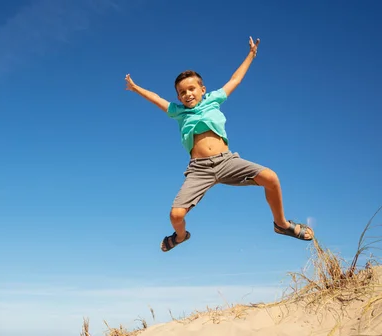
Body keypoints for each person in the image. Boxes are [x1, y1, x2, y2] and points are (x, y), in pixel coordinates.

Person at [124, 37, 314, 252]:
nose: (187, 94)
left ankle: (281, 224)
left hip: (227, 161)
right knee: (175, 215)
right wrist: (136, 87)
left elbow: (235, 80)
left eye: (192, 89)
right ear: (178, 96)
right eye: (182, 92)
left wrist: (251, 55)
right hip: (199, 169)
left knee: (271, 178)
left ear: (202, 89)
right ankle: (180, 236)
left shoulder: (214, 100)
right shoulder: (178, 112)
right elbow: (156, 98)